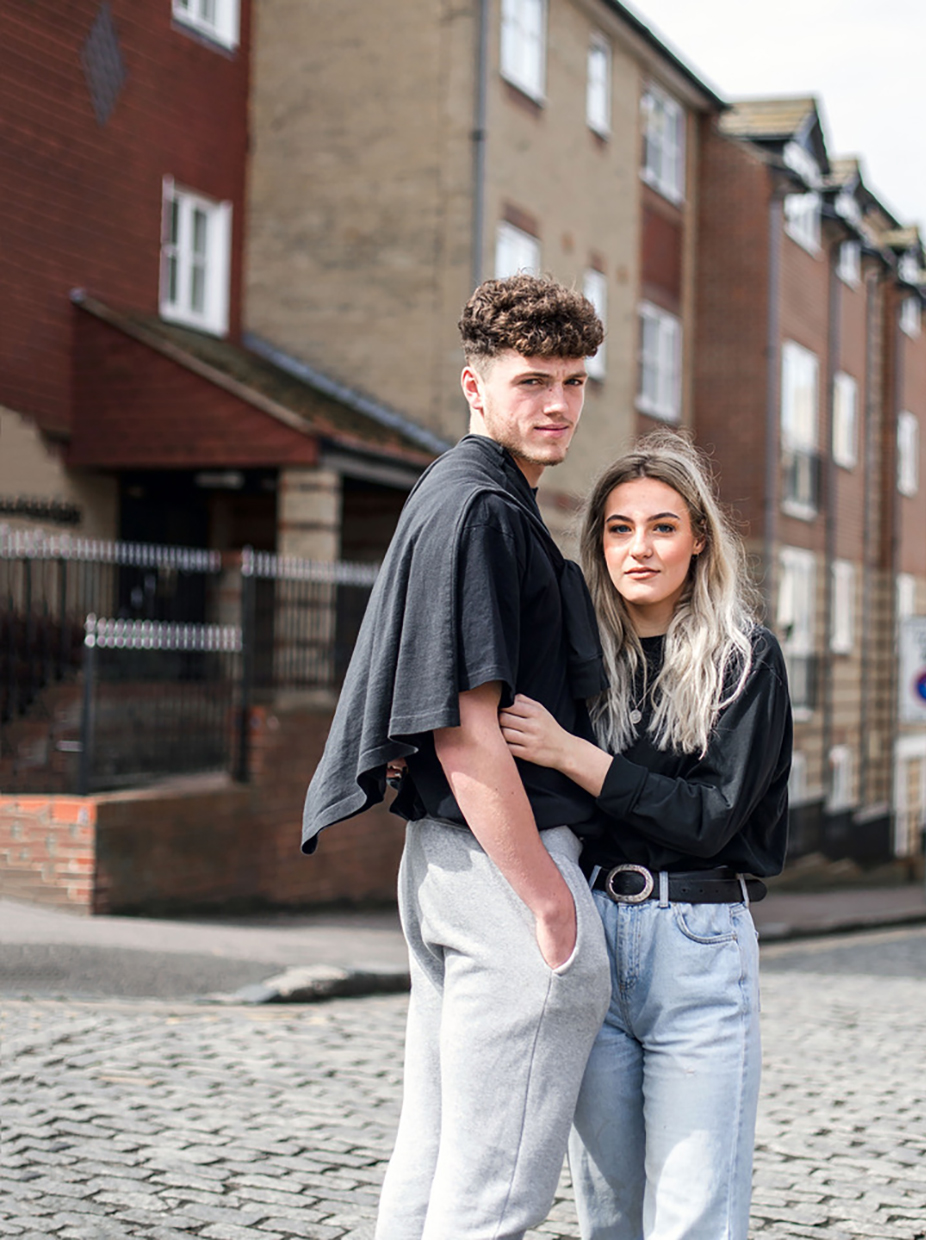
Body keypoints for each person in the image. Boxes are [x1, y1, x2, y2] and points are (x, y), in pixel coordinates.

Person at [302, 275, 612, 1240]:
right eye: (533, 381)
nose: (558, 403)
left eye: (573, 380)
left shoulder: (464, 494)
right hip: (499, 867)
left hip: (449, 862)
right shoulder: (480, 509)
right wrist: (547, 899)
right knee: (492, 1190)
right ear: (475, 385)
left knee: (438, 1155)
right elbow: (460, 724)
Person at [498, 431, 793, 1239]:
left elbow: (708, 820)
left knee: (692, 1210)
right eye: (620, 528)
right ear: (598, 542)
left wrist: (576, 755)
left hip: (696, 944)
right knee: (611, 1213)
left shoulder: (743, 661)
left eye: (663, 526)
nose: (640, 547)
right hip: (591, 940)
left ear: (699, 539)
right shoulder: (578, 658)